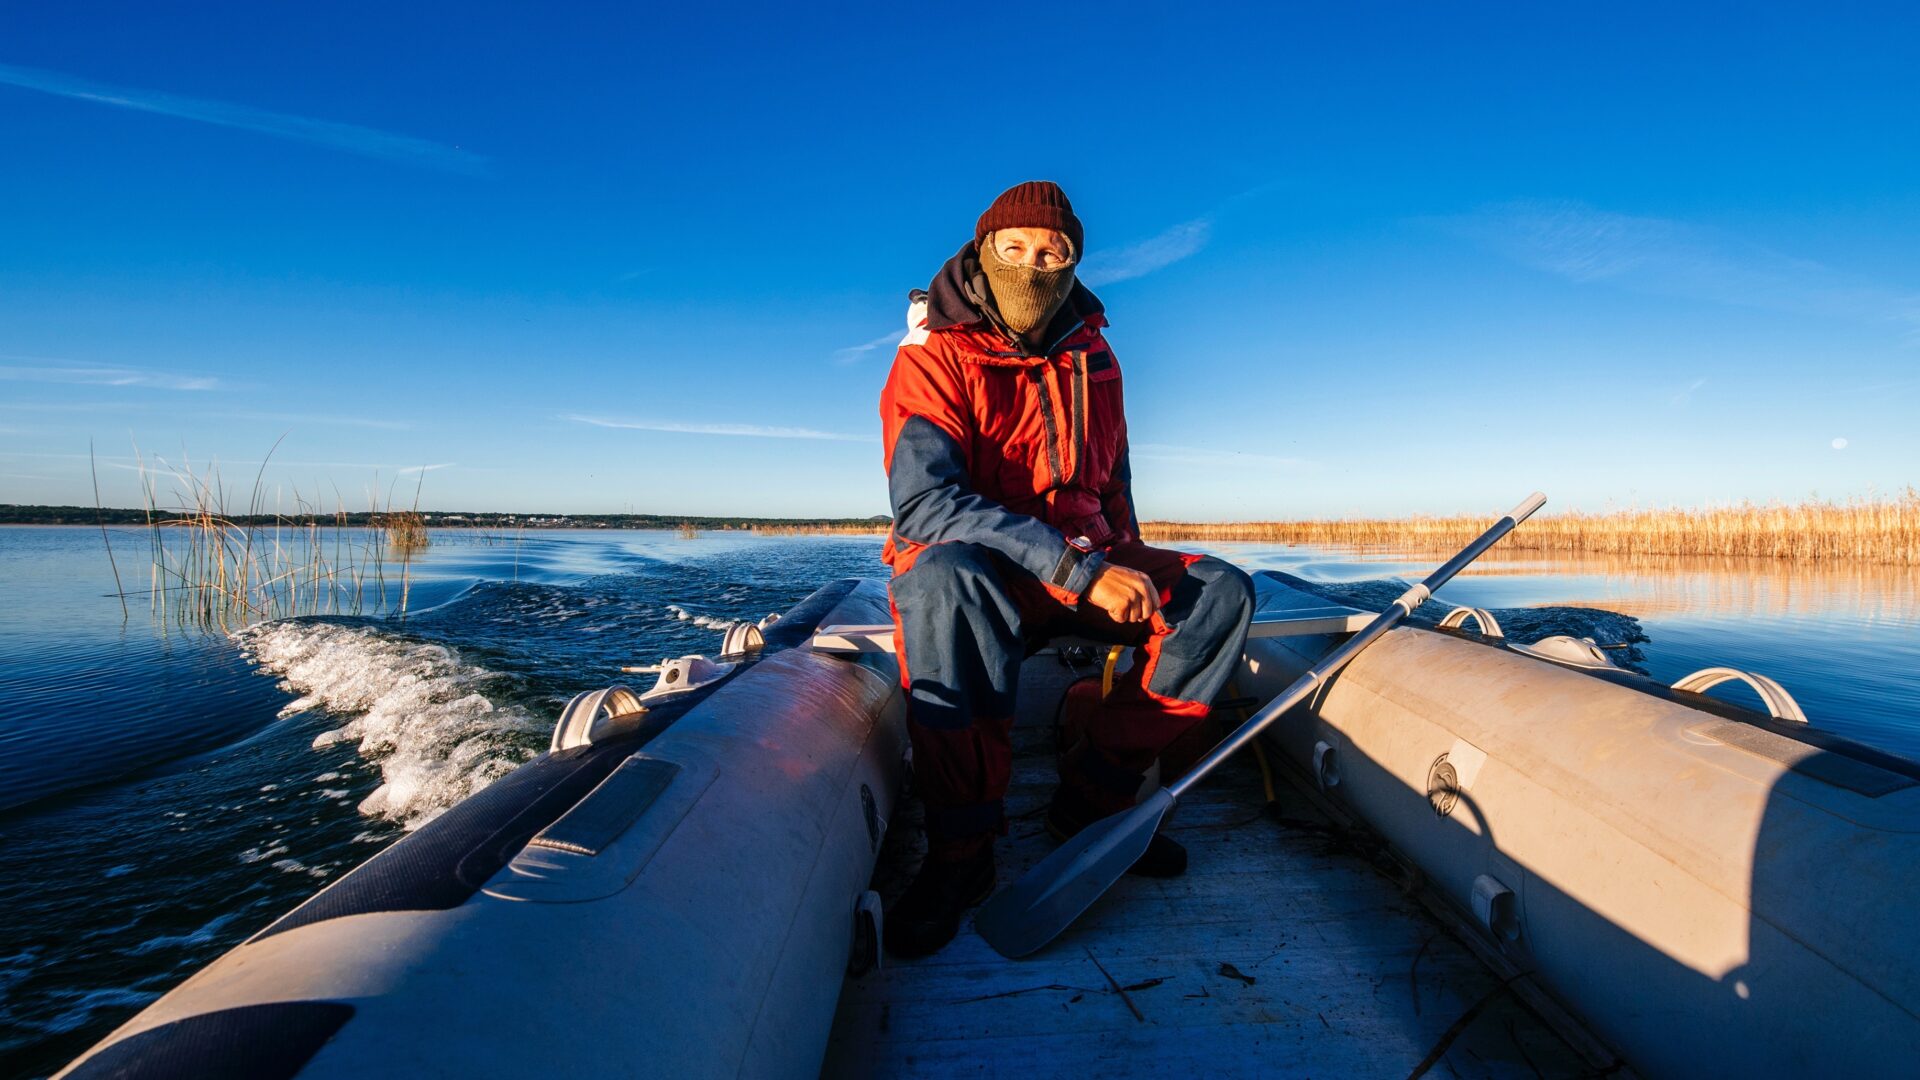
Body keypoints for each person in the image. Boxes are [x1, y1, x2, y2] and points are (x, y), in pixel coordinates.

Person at [877, 180, 1254, 957]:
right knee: (945, 581)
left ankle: (1095, 799)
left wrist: (1125, 558)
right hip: (986, 565)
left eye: (1054, 251)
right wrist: (1080, 573)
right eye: (1014, 248)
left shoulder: (1096, 354)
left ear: (1075, 259)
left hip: (1085, 555)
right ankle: (961, 852)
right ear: (982, 254)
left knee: (1219, 595)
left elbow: (1113, 482)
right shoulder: (934, 355)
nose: (1033, 264)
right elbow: (924, 505)